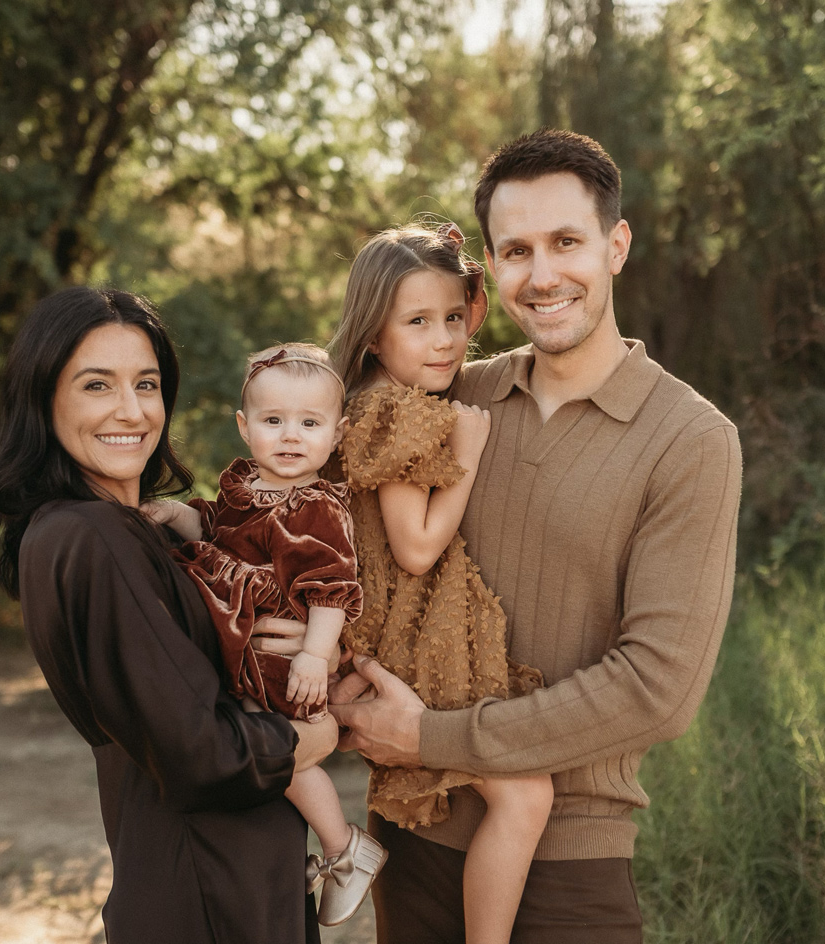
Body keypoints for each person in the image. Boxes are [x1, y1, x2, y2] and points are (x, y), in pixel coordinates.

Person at [329, 128, 744, 944]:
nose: (543, 274)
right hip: (409, 835)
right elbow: (336, 491)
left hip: (568, 868)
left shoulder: (689, 439)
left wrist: (431, 734)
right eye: (516, 250)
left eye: (566, 242)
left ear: (616, 245)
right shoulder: (451, 393)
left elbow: (657, 689)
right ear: (489, 268)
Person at [0, 286, 332, 944]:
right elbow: (203, 753)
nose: (130, 410)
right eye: (96, 385)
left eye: (147, 383)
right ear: (44, 397)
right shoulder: (91, 538)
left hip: (237, 883)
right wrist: (321, 735)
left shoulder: (134, 531)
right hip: (204, 899)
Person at [325, 222, 556, 944]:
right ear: (372, 333)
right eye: (418, 322)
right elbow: (418, 548)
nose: (447, 341)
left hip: (400, 621)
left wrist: (468, 283)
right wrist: (470, 451)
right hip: (412, 626)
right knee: (524, 796)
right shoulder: (399, 413)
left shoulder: (368, 397)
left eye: (455, 318)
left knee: (512, 794)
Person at [145, 343, 387, 928]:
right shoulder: (242, 488)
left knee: (276, 749)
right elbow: (220, 531)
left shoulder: (317, 508)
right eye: (273, 420)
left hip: (285, 658)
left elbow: (331, 589)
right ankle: (286, 853)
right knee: (248, 742)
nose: (290, 436)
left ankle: (345, 848)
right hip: (244, 649)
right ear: (244, 426)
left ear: (337, 433)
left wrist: (314, 653)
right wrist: (179, 517)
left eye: (310, 423)